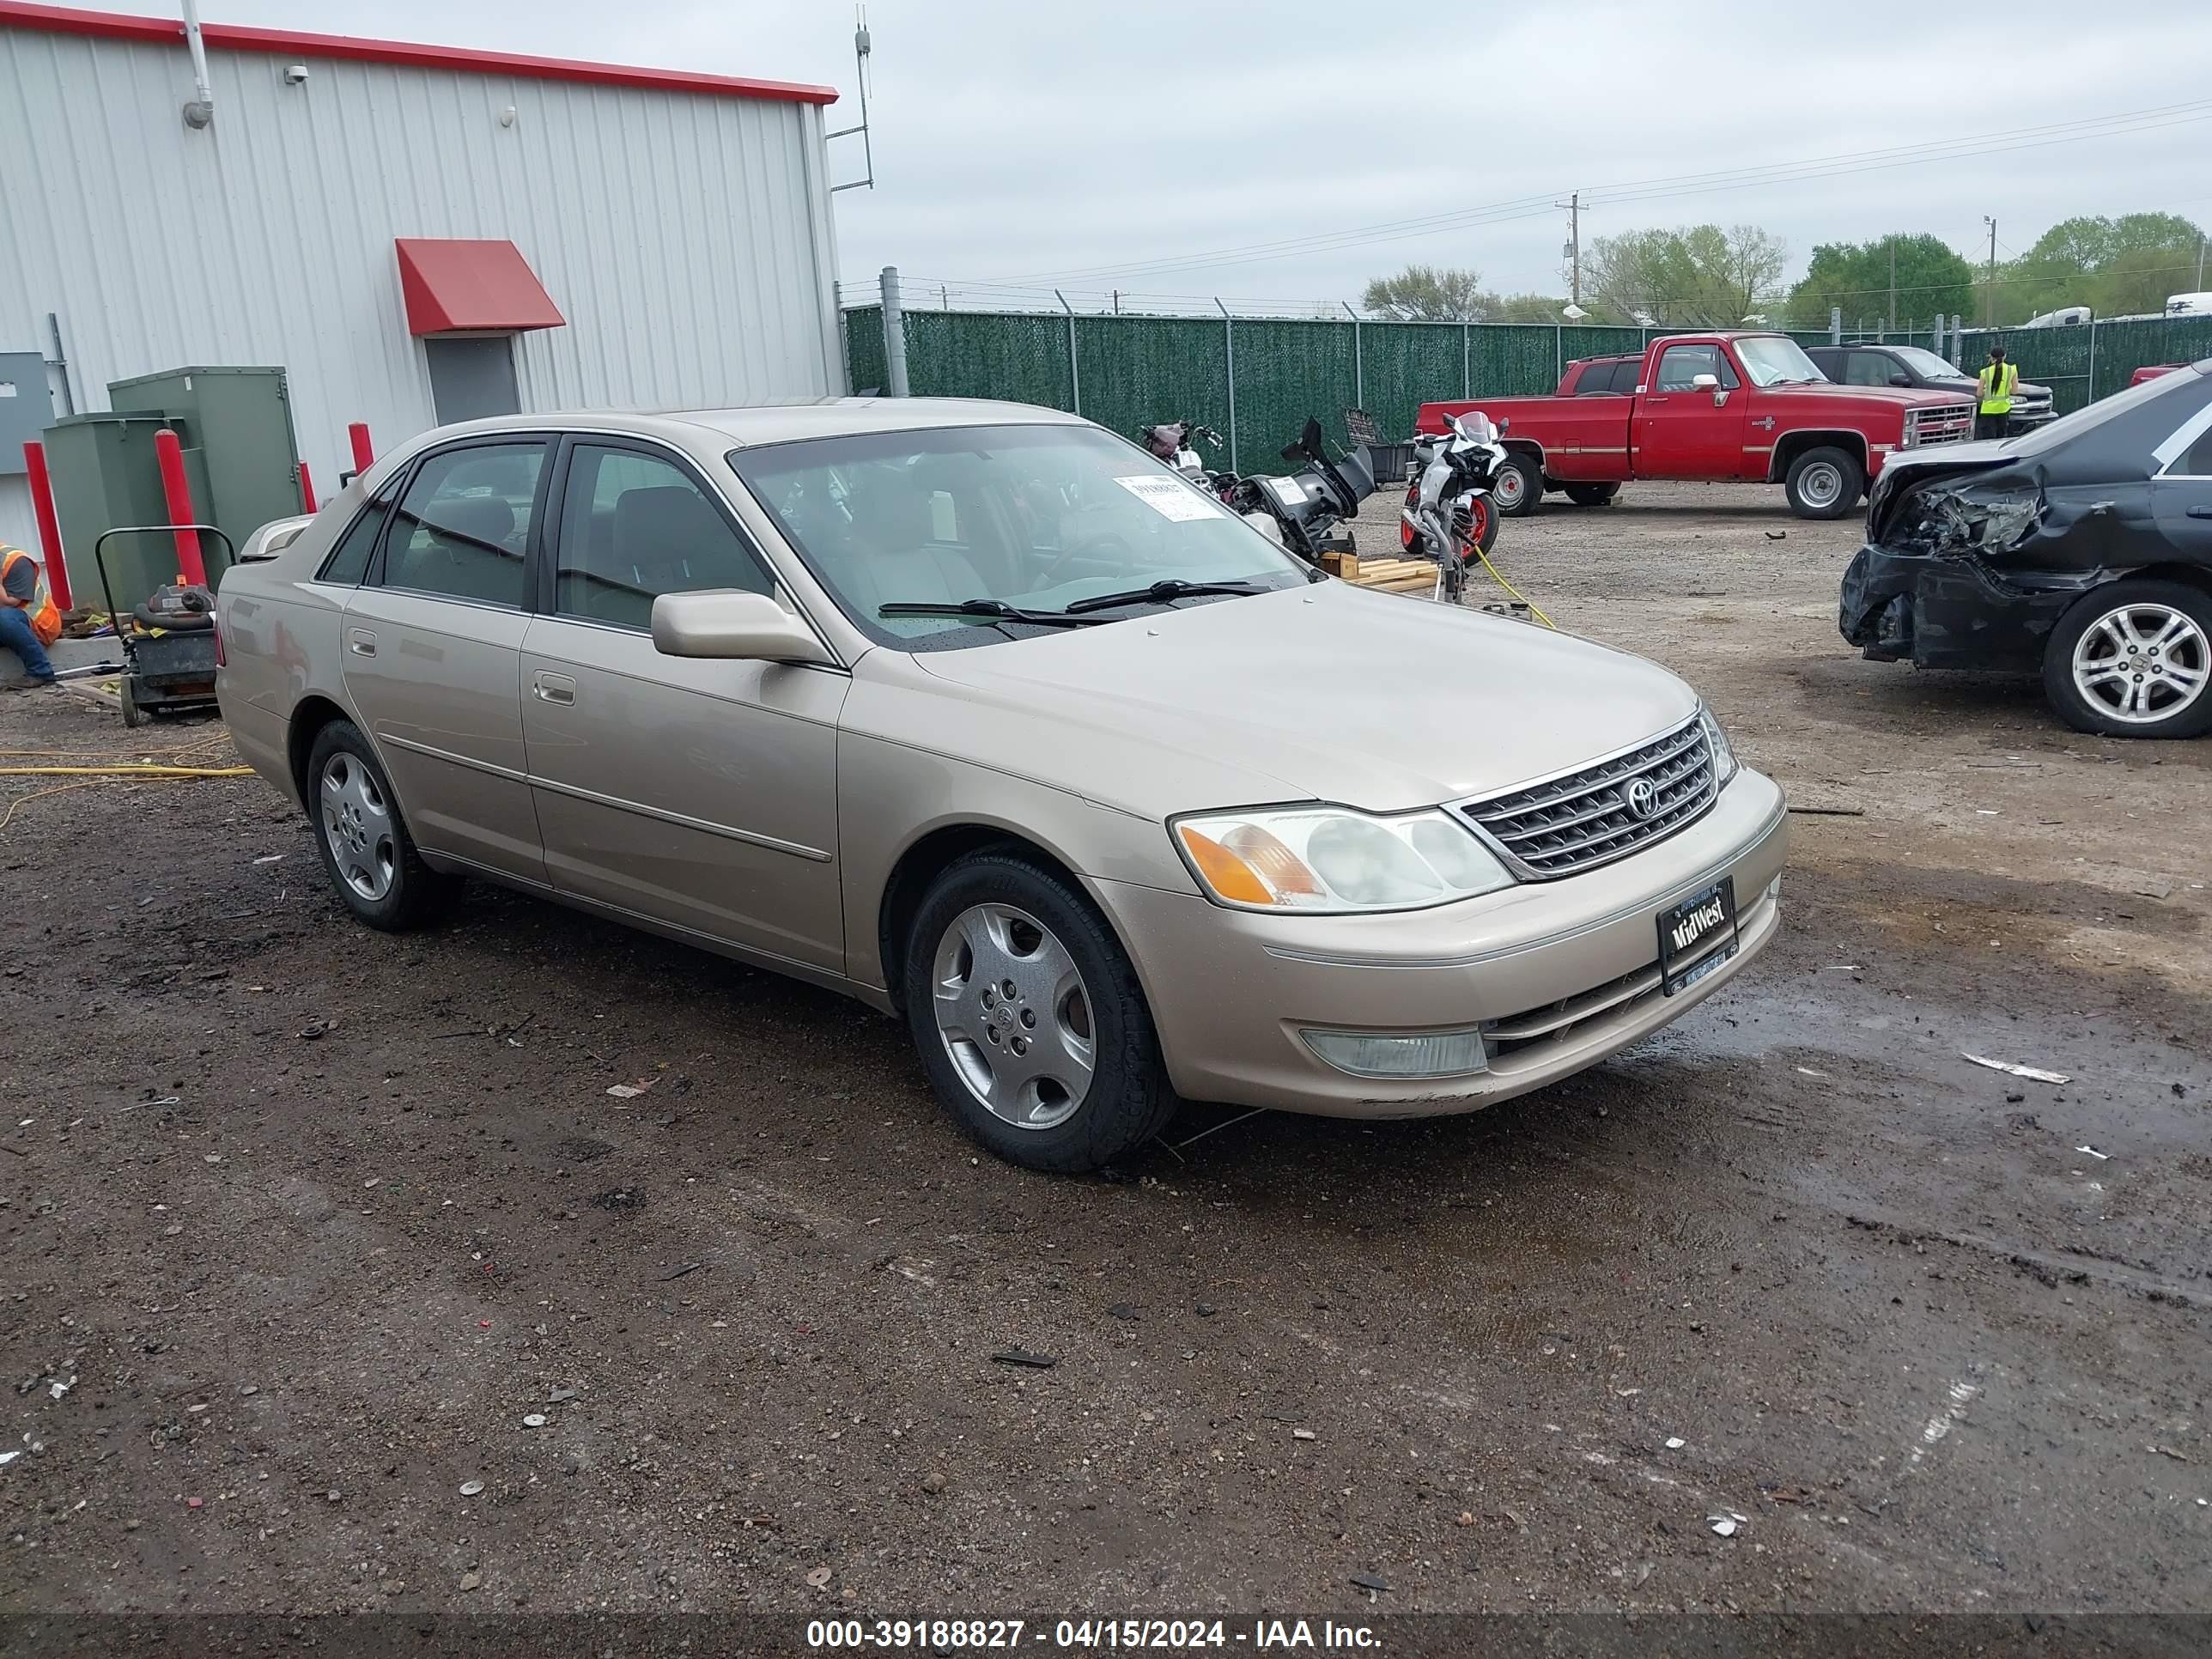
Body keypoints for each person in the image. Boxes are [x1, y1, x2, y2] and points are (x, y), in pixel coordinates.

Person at [0, 541, 63, 687]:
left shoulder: (16, 561)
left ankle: (41, 672)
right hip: (9, 623)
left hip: (39, 621)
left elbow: (7, 603)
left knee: (4, 618)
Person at [1975, 345, 2020, 441]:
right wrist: (2004, 390)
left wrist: (1988, 392)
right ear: (2005, 357)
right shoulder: (2012, 370)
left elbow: (1979, 393)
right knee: (2001, 439)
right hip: (2004, 409)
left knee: (1987, 440)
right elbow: (2015, 391)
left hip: (1988, 410)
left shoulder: (1985, 372)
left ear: (1991, 357)